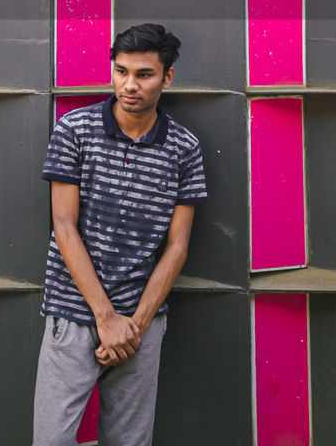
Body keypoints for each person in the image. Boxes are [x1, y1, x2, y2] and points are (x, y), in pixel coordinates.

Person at [33, 23, 207, 446]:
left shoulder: (184, 147)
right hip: (74, 313)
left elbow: (177, 245)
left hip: (140, 324)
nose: (130, 85)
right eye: (121, 70)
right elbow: (64, 226)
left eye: (144, 74)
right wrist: (105, 318)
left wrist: (134, 326)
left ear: (167, 77)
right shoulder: (74, 129)